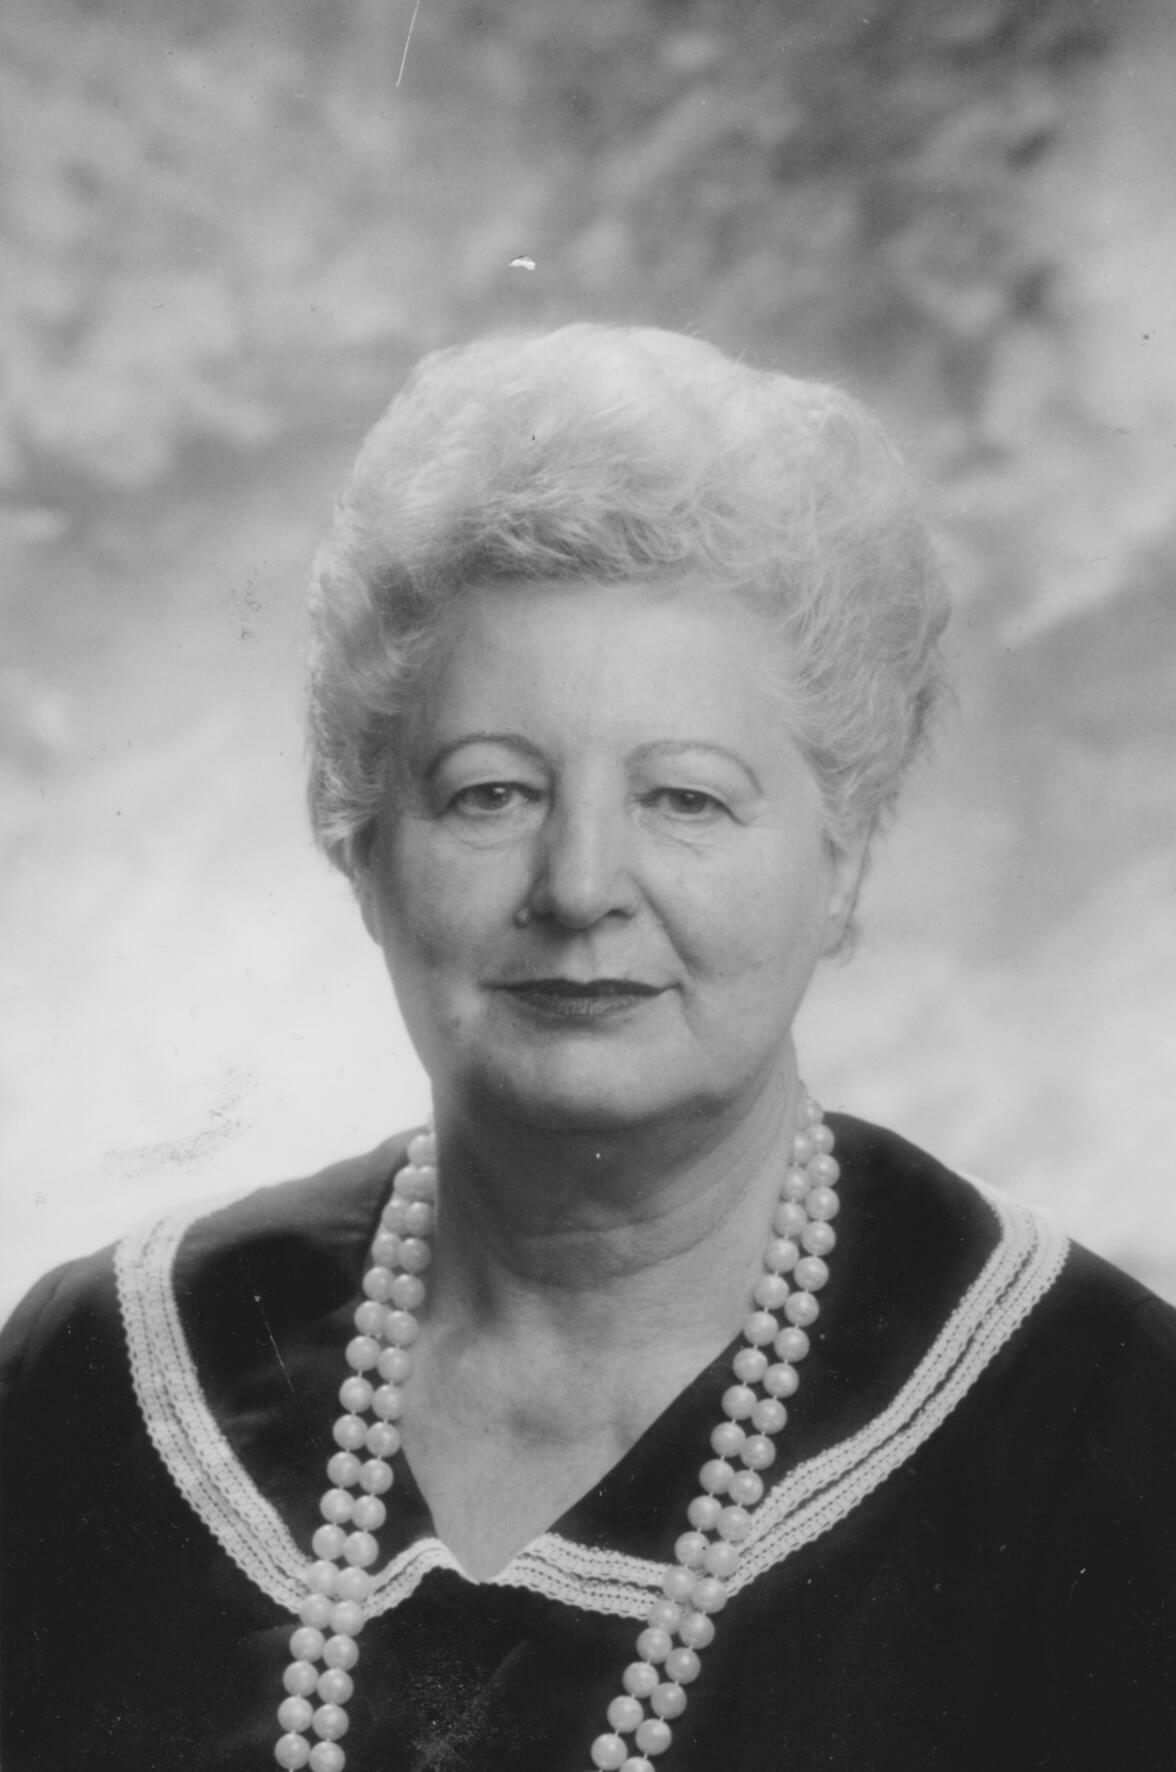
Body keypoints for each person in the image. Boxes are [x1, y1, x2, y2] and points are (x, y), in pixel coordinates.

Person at [2, 324, 1174, 1772]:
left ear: (844, 858)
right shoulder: (95, 1383)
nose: (578, 886)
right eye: (491, 793)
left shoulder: (1102, 1433)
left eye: (686, 798)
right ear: (362, 847)